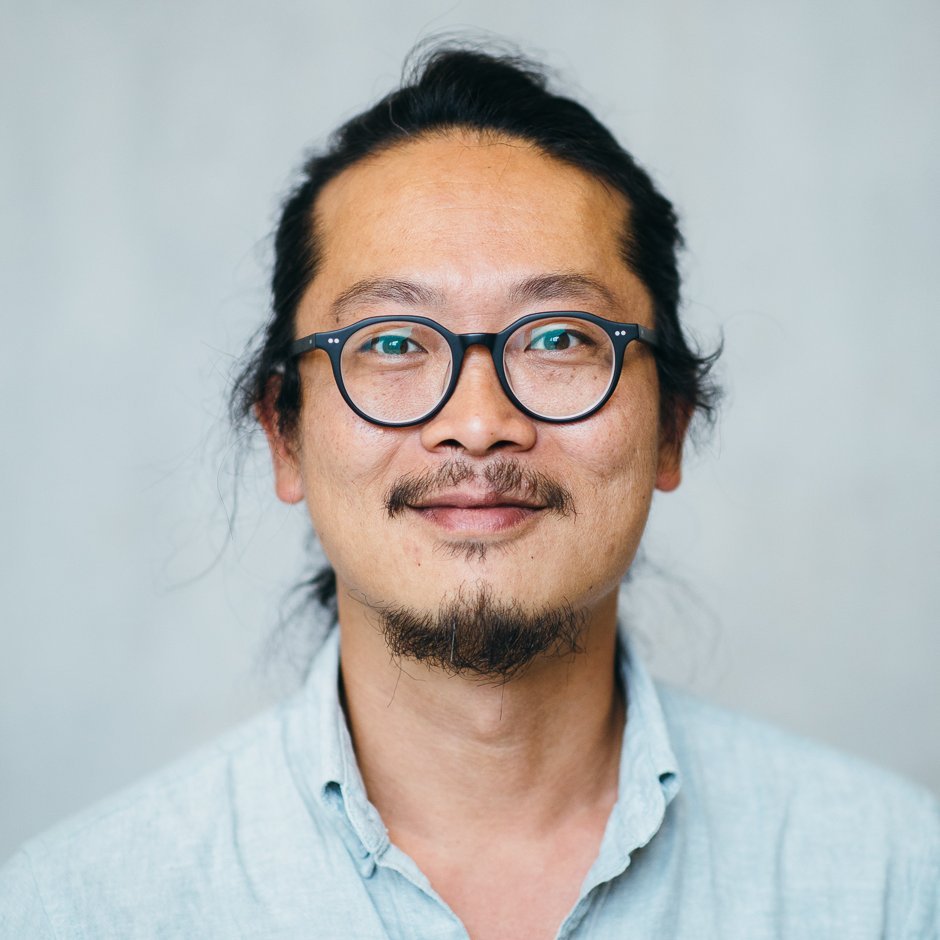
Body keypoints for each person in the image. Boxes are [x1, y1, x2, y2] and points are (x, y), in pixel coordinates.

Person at [1, 44, 937, 940]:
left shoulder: (894, 883)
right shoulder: (72, 912)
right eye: (396, 343)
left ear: (671, 426)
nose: (480, 422)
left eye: (561, 337)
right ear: (283, 433)